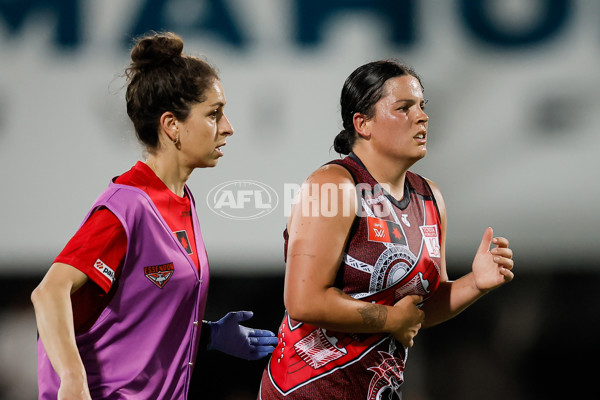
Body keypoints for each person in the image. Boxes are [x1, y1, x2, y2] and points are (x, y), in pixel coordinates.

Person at [31, 32, 278, 400]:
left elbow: (135, 314)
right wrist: (72, 379)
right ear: (171, 125)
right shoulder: (126, 207)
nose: (227, 127)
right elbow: (49, 292)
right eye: (214, 113)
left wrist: (206, 334)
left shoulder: (183, 200)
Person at [258, 60, 514, 399]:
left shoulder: (429, 196)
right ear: (362, 123)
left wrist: (475, 283)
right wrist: (390, 320)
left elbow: (417, 311)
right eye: (404, 108)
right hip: (308, 390)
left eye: (422, 106)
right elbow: (303, 301)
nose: (422, 117)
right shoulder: (333, 185)